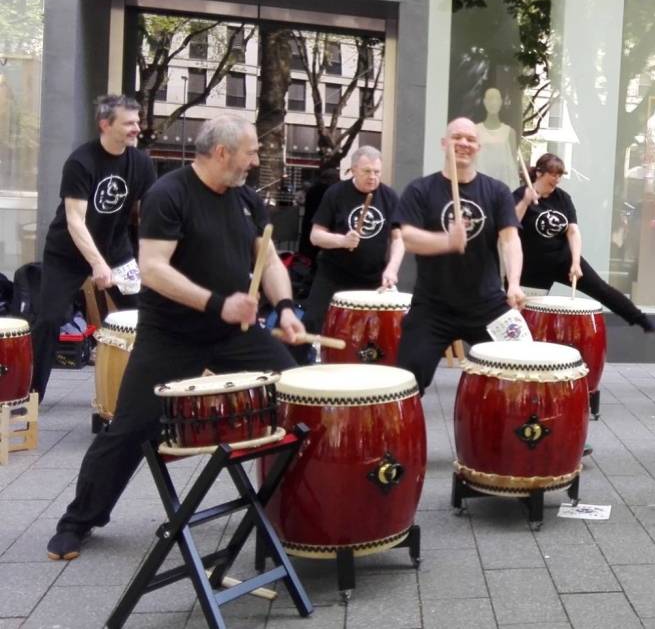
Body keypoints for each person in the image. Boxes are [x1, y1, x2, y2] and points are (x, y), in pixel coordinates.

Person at [46, 114, 307, 560]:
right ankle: (78, 522)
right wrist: (216, 302)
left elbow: (268, 262)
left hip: (234, 334)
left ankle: (297, 511)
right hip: (171, 335)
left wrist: (283, 308)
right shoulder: (170, 194)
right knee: (130, 429)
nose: (256, 159)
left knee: (300, 396)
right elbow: (154, 269)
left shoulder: (246, 199)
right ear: (222, 152)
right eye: (251, 151)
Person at [32, 94, 157, 402]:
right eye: (129, 123)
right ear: (105, 125)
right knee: (48, 319)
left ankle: (142, 393)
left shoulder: (140, 163)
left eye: (137, 122)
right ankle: (30, 395)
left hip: (116, 250)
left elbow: (153, 212)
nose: (136, 128)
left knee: (144, 316)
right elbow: (75, 221)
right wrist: (98, 264)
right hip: (67, 253)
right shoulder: (81, 162)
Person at [394, 118, 525, 391]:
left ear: (478, 147)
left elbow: (510, 241)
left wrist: (513, 283)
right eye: (457, 137)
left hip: (487, 304)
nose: (464, 143)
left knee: (523, 366)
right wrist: (447, 241)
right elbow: (408, 237)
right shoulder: (420, 190)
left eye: (470, 139)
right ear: (445, 143)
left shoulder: (497, 192)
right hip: (432, 306)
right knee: (405, 384)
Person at [513, 153, 655, 333]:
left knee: (601, 289)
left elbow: (573, 231)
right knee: (521, 311)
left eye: (560, 175)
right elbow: (511, 225)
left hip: (562, 260)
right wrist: (526, 201)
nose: (557, 179)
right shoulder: (519, 195)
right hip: (532, 265)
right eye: (553, 174)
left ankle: (641, 320)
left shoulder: (562, 198)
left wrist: (575, 262)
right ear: (539, 173)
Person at [298, 147, 404, 349]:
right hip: (333, 274)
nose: (372, 177)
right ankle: (296, 371)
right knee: (311, 323)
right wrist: (342, 241)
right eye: (366, 171)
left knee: (374, 334)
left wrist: (392, 269)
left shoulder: (389, 197)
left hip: (372, 277)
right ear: (353, 170)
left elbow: (398, 239)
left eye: (377, 172)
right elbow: (315, 236)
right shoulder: (336, 193)